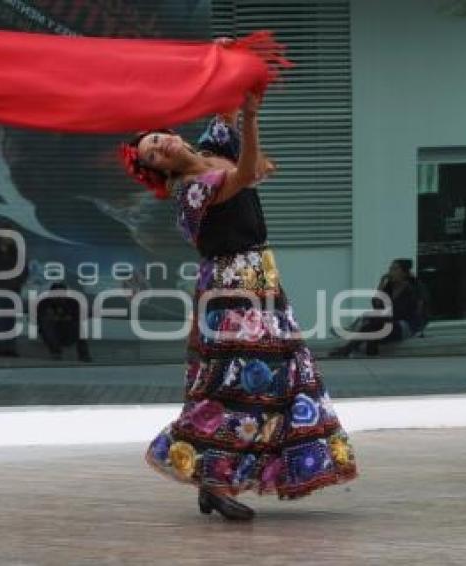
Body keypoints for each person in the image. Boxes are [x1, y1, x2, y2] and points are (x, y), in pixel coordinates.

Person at [119, 94, 357, 521]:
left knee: (279, 380)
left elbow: (223, 107)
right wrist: (251, 117)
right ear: (161, 170)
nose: (158, 147)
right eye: (152, 154)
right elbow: (247, 173)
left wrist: (230, 63)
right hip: (230, 294)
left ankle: (217, 481)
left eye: (157, 139)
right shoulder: (191, 192)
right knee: (236, 386)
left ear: (172, 134)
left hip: (262, 282)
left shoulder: (213, 150)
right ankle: (210, 480)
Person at [329, 259, 428, 357]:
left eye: (394, 269)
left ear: (404, 272)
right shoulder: (389, 287)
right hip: (386, 325)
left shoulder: (413, 289)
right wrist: (381, 284)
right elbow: (376, 305)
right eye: (390, 269)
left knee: (372, 323)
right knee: (372, 328)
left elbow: (400, 314)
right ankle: (364, 353)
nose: (390, 272)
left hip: (405, 327)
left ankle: (348, 344)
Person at [36, 282, 91, 362]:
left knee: (79, 327)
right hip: (51, 331)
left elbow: (78, 317)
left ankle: (84, 354)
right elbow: (39, 319)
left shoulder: (73, 303)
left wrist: (64, 318)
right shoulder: (44, 303)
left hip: (68, 330)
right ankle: (55, 351)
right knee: (47, 324)